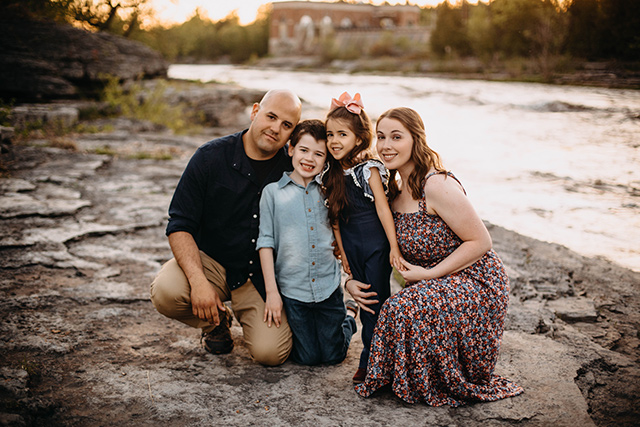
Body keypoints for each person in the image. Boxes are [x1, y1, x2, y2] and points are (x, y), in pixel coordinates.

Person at [349, 107, 524, 405]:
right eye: (380, 137)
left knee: (400, 308)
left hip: (474, 280)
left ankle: (424, 376)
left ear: (416, 140)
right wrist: (350, 281)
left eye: (396, 137)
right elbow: (361, 237)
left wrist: (430, 275)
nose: (386, 145)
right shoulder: (394, 191)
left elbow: (481, 241)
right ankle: (408, 375)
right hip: (432, 285)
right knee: (399, 306)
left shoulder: (437, 184)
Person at [149, 89, 302, 366]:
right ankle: (215, 323)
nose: (275, 128)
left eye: (286, 125)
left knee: (271, 354)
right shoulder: (210, 157)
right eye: (271, 117)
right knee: (166, 293)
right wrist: (198, 282)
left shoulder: (293, 169)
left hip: (260, 276)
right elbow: (180, 224)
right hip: (212, 265)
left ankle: (246, 318)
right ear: (255, 112)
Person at [257, 119, 358, 366]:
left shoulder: (330, 189)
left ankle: (349, 316)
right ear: (290, 149)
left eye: (318, 154)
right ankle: (338, 321)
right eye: (303, 150)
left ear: (326, 159)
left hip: (327, 287)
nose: (309, 159)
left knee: (334, 356)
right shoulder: (272, 193)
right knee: (307, 357)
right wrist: (272, 292)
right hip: (293, 291)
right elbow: (265, 242)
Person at [319, 92, 403, 383]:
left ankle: (372, 359)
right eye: (330, 134)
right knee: (365, 300)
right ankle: (378, 355)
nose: (334, 141)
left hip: (375, 246)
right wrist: (343, 257)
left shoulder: (368, 169)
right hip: (352, 247)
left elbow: (382, 208)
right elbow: (336, 221)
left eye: (342, 134)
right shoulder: (330, 173)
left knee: (375, 303)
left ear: (359, 137)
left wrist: (393, 246)